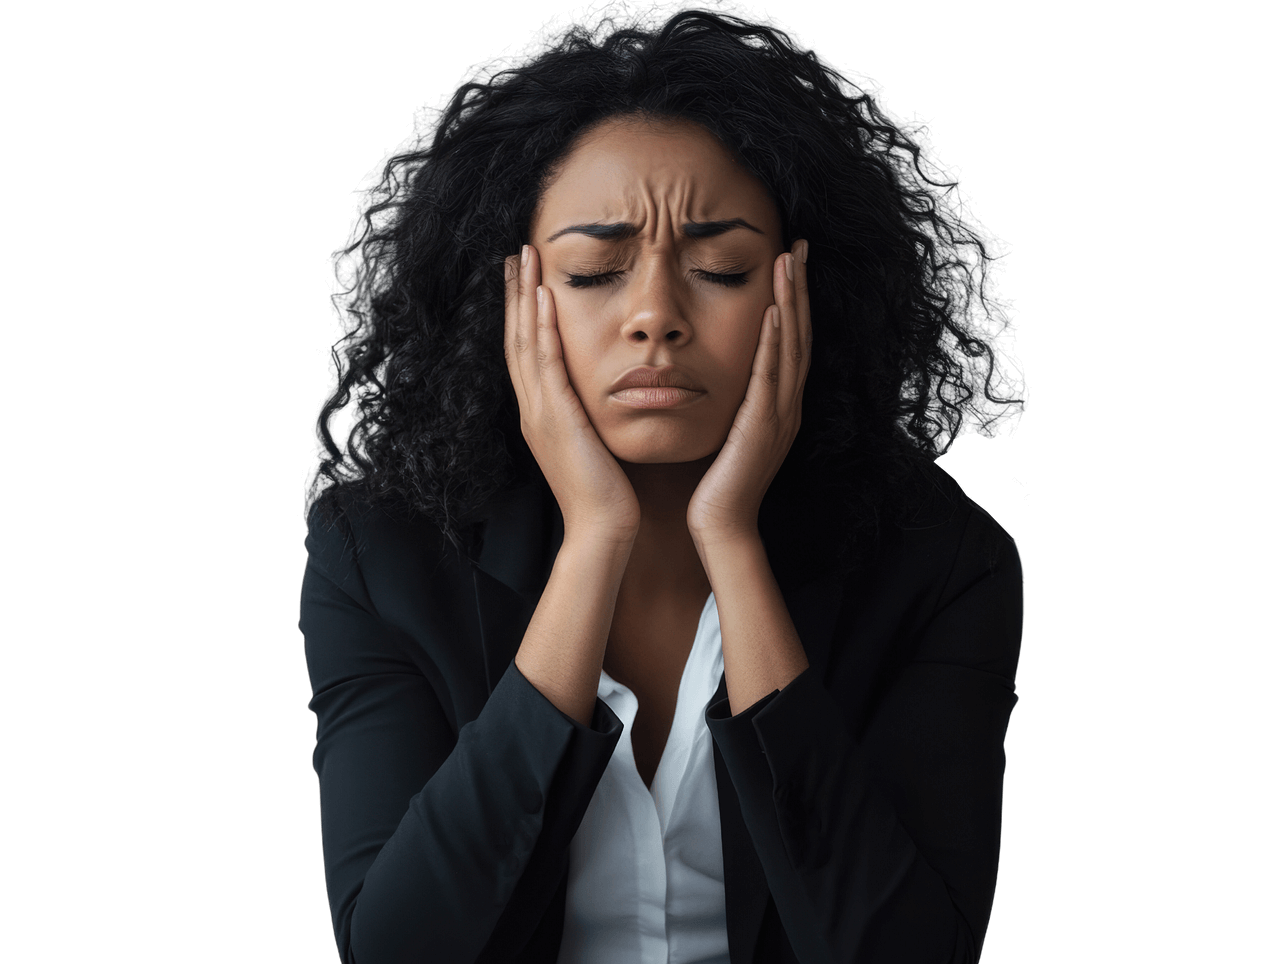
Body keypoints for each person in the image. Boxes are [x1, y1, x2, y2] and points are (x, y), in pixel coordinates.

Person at [301, 7, 1024, 963]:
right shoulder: (378, 556)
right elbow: (398, 949)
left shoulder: (944, 565)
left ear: (801, 291)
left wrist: (732, 539)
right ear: (507, 298)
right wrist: (595, 540)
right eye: (595, 271)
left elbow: (909, 954)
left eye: (719, 267)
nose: (655, 315)